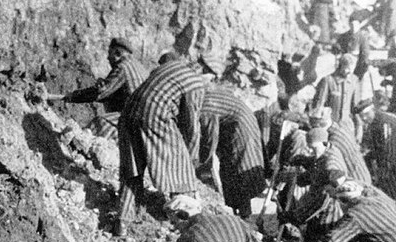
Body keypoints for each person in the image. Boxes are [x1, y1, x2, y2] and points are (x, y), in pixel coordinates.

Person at [115, 55, 206, 231]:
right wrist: (191, 157)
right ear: (203, 73)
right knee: (181, 165)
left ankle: (122, 221)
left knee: (132, 170)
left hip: (128, 113)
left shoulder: (170, 67)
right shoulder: (195, 83)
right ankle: (186, 222)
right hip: (155, 117)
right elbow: (191, 125)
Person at [198, 82, 266, 217]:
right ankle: (237, 212)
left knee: (240, 166)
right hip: (233, 125)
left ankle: (245, 216)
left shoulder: (205, 106)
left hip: (241, 127)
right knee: (228, 167)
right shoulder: (203, 99)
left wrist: (200, 162)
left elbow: (210, 137)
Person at [63, 37, 148, 139]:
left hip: (133, 119)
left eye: (109, 53)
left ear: (117, 53)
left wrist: (72, 96)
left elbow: (100, 93)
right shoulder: (140, 67)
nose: (108, 58)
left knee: (99, 124)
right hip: (144, 123)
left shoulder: (123, 66)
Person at [311, 54, 365, 131]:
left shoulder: (354, 81)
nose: (349, 72)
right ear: (340, 66)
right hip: (330, 125)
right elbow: (318, 106)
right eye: (347, 68)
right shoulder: (328, 80)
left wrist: (359, 125)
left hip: (347, 126)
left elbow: (355, 107)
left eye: (351, 69)